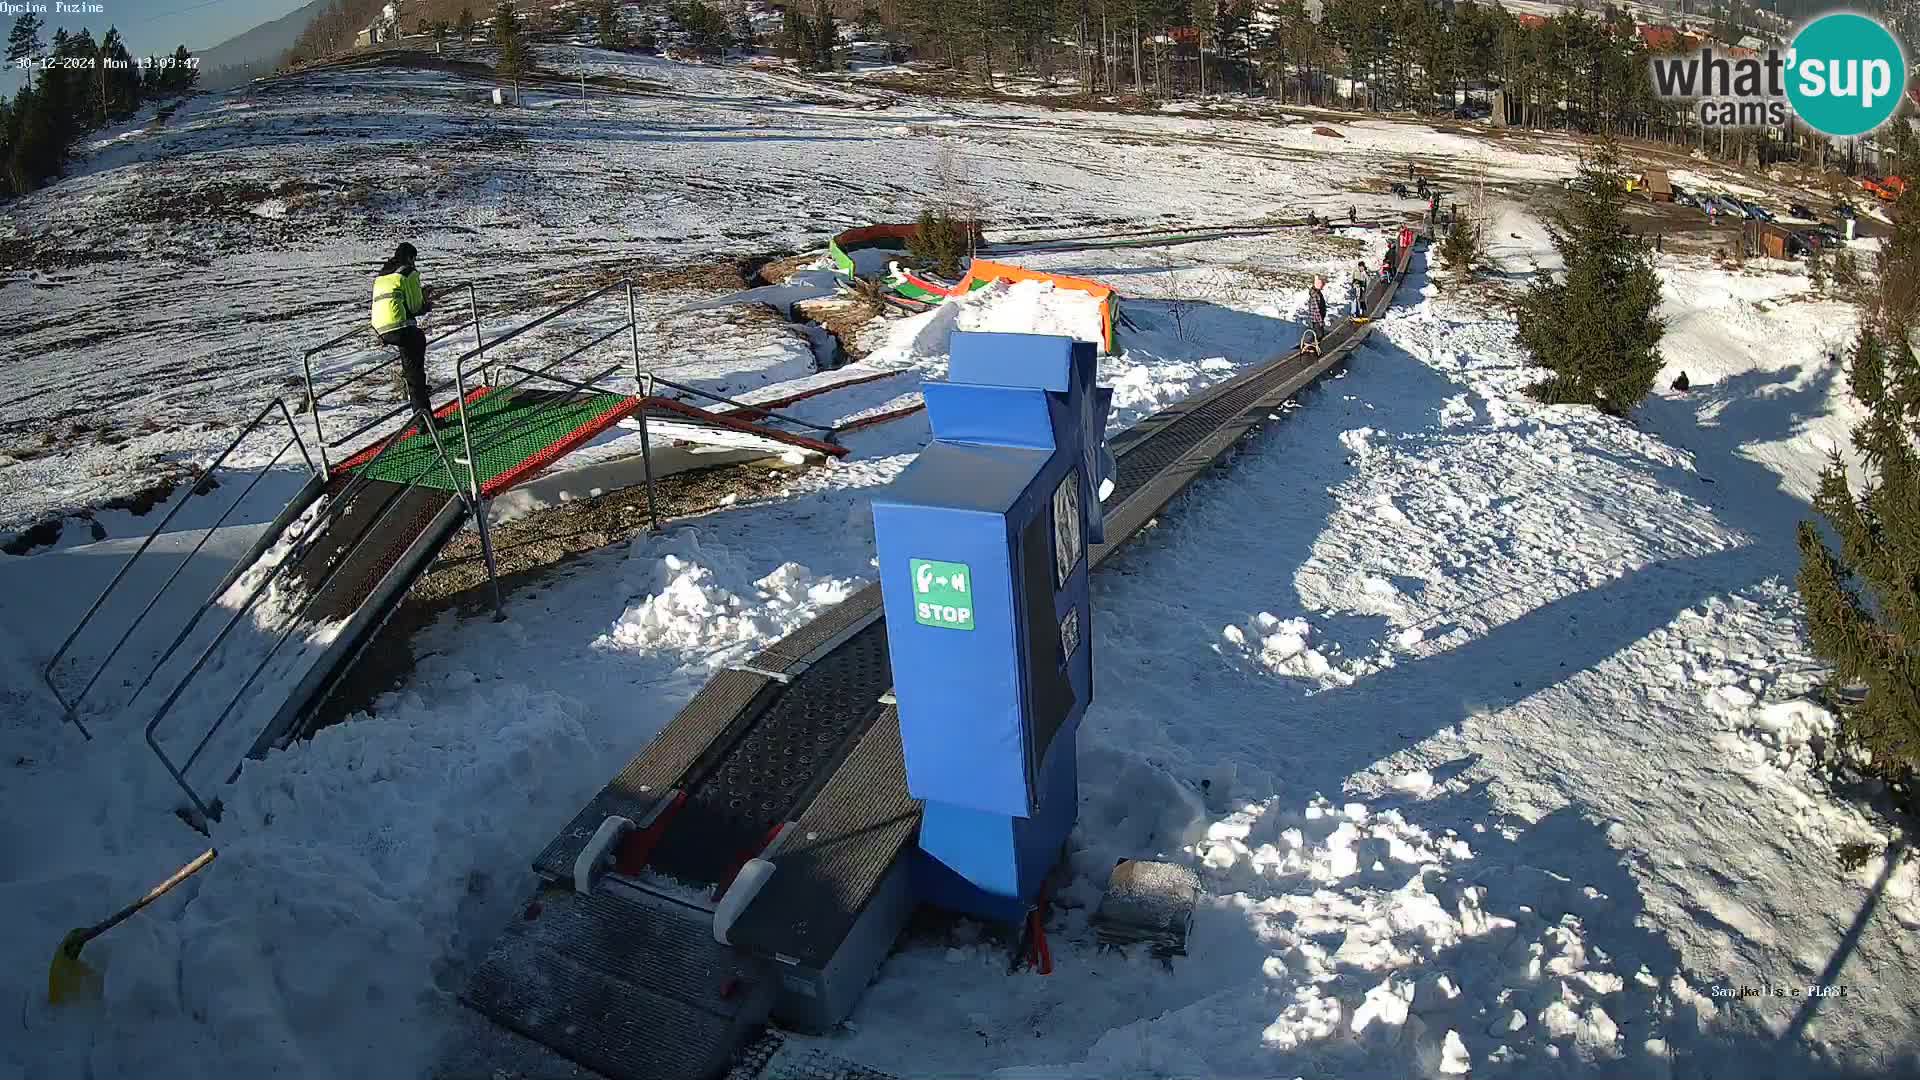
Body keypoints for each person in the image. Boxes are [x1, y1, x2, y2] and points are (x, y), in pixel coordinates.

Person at [370, 243, 438, 429]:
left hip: (382, 328)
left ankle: (421, 417)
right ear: (410, 257)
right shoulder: (408, 272)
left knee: (412, 373)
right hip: (401, 326)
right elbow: (416, 307)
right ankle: (425, 421)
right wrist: (426, 301)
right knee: (416, 373)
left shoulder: (382, 275)